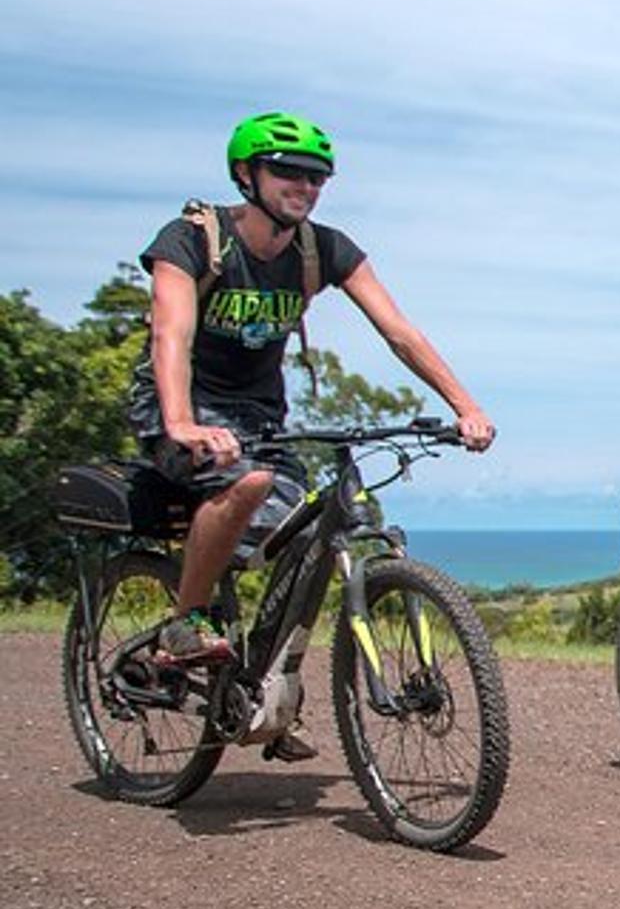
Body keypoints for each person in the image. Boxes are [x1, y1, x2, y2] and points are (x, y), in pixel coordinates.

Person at [132, 113, 495, 741]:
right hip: (178, 407)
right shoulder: (193, 240)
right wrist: (182, 421)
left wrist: (466, 405)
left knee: (305, 532)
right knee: (247, 486)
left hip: (258, 420)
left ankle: (257, 679)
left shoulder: (322, 249)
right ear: (247, 175)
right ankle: (184, 621)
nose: (305, 186)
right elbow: (172, 332)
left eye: (317, 177)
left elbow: (398, 332)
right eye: (289, 172)